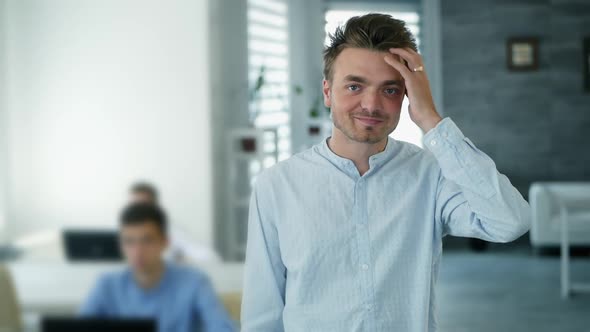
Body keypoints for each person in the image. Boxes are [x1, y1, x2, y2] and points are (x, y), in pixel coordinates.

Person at [241, 13, 530, 331]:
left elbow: (510, 222)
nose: (371, 104)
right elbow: (263, 313)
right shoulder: (277, 185)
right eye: (354, 86)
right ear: (327, 92)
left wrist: (430, 118)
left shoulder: (430, 175)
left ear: (407, 95)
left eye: (390, 90)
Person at [80, 203, 235, 332]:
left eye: (147, 241)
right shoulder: (107, 285)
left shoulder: (194, 282)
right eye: (129, 242)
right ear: (121, 245)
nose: (137, 251)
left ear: (164, 242)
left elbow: (222, 327)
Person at [129, 182, 221, 263]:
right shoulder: (122, 231)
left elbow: (210, 258)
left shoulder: (171, 230)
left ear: (155, 206)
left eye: (143, 206)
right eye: (134, 206)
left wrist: (180, 261)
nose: (138, 211)